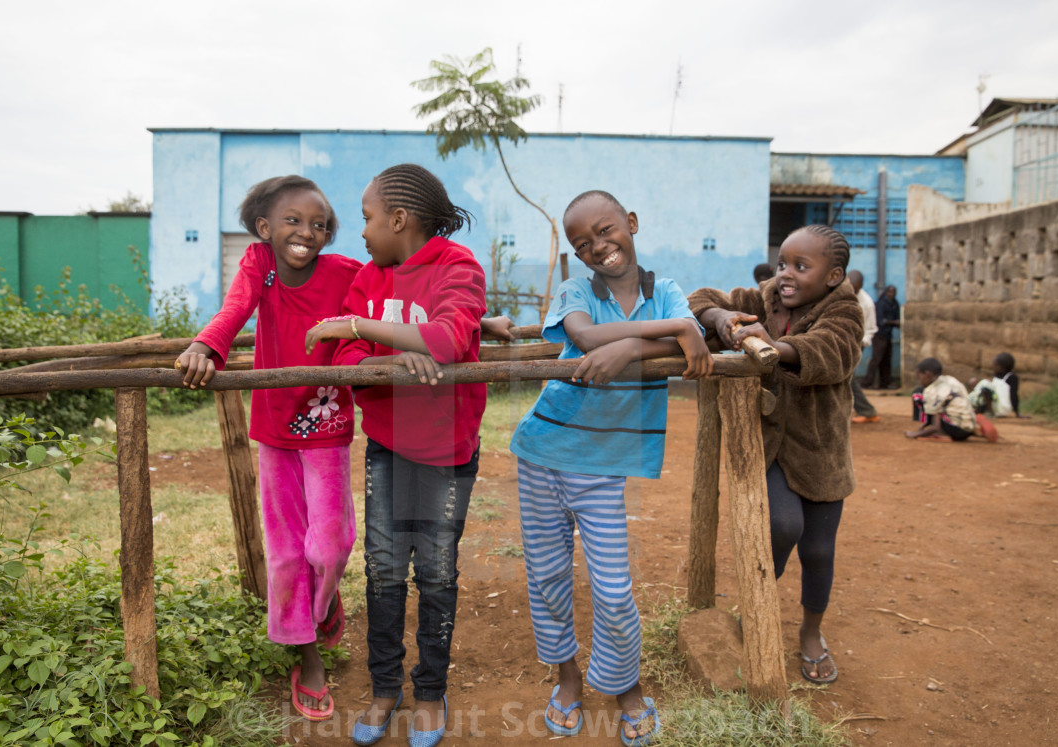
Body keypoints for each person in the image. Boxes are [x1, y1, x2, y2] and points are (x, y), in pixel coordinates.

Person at [509, 190, 710, 745]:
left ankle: (626, 687)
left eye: (606, 230)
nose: (599, 246)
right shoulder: (577, 288)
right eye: (583, 242)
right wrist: (654, 338)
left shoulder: (665, 290)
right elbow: (586, 337)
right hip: (544, 453)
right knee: (548, 577)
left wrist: (646, 341)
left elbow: (687, 336)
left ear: (632, 223)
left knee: (614, 589)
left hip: (603, 466)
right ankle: (567, 678)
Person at [306, 163, 486, 747]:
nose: (361, 232)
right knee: (384, 569)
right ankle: (385, 687)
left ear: (400, 219)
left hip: (448, 452)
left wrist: (363, 326)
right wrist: (385, 356)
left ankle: (430, 692)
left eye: (367, 218)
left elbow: (445, 339)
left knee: (435, 571)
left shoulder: (458, 268)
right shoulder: (368, 277)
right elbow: (342, 358)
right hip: (387, 445)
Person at [175, 175, 359, 722]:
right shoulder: (261, 264)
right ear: (264, 229)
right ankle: (307, 656)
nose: (309, 231)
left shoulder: (345, 272)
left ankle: (321, 607)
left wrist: (475, 318)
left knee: (331, 545)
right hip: (274, 427)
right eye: (294, 221)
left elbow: (395, 293)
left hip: (327, 422)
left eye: (320, 223)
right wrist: (206, 344)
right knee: (285, 553)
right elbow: (235, 308)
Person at [688, 224, 863, 685]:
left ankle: (810, 632)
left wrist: (773, 348)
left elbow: (833, 352)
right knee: (783, 524)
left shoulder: (845, 310)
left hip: (821, 452)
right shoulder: (767, 297)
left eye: (801, 267)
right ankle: (759, 603)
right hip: (770, 447)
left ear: (832, 276)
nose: (786, 274)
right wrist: (722, 319)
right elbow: (700, 298)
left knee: (820, 551)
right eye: (783, 262)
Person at [906, 357, 998, 442]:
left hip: (956, 431)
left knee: (917, 394)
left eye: (919, 375)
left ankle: (943, 433)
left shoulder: (932, 391)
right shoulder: (950, 380)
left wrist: (915, 434)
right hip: (968, 428)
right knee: (943, 407)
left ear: (927, 374)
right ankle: (973, 428)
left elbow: (935, 427)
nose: (920, 379)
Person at [848, 270, 879, 423]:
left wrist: (860, 344)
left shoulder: (866, 303)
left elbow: (871, 329)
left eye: (856, 288)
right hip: (837, 341)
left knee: (848, 377)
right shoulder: (835, 293)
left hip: (856, 345)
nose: (853, 290)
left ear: (861, 286)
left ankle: (867, 411)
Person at [861, 284, 899, 389]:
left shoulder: (894, 303)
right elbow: (880, 321)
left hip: (888, 335)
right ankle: (866, 383)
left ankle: (885, 383)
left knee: (886, 360)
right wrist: (894, 322)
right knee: (876, 359)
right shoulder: (881, 304)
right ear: (886, 292)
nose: (892, 294)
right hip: (879, 335)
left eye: (894, 292)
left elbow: (897, 318)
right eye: (890, 292)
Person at [969, 352, 1022, 418]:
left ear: (1001, 367)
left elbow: (1014, 395)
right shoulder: (997, 377)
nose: (992, 367)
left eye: (995, 365)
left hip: (1002, 409)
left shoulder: (1011, 377)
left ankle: (989, 411)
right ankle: (976, 408)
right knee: (978, 384)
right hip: (995, 406)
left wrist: (1016, 412)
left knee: (985, 383)